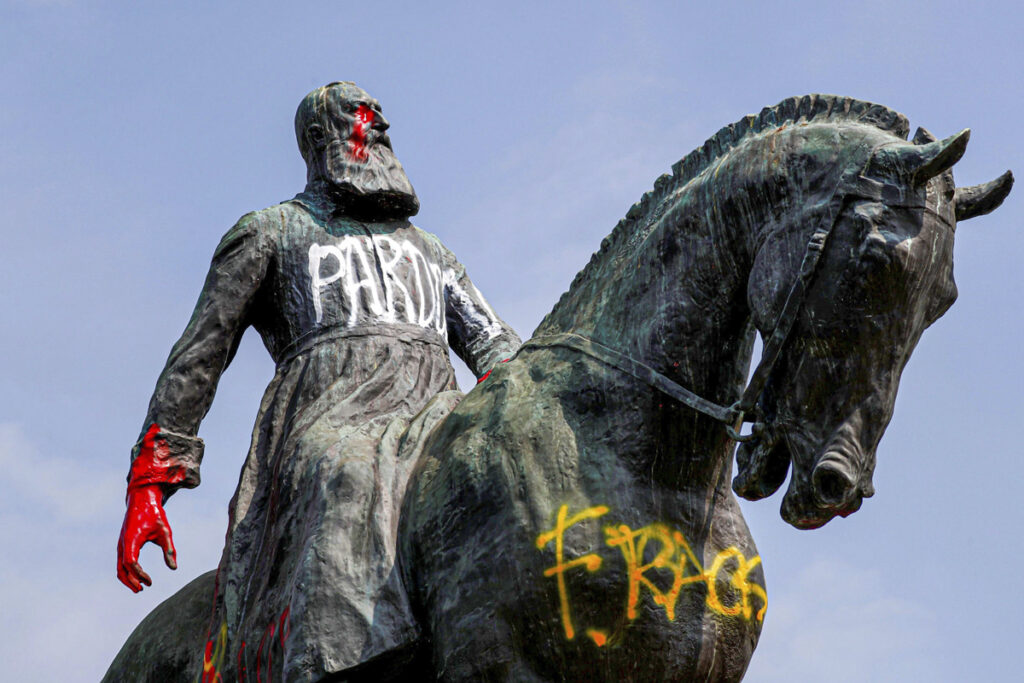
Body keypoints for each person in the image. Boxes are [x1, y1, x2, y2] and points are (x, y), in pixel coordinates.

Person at [112, 81, 521, 681]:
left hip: (436, 422)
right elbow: (201, 352)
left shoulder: (432, 252)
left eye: (382, 119)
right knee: (348, 470)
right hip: (331, 425)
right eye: (361, 117)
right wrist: (151, 486)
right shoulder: (272, 231)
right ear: (317, 138)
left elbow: (495, 346)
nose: (380, 128)